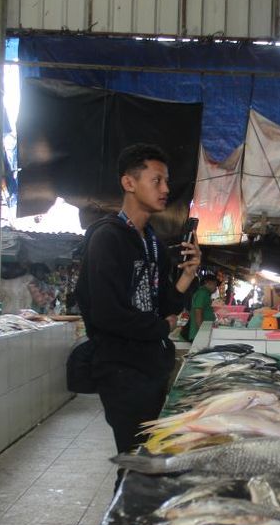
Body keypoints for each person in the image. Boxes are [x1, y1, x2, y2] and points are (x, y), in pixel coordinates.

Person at [76, 143, 201, 458]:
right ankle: (126, 506)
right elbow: (106, 313)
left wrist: (187, 276)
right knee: (135, 461)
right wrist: (160, 327)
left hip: (151, 366)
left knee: (151, 457)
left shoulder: (154, 243)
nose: (166, 189)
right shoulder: (107, 238)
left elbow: (166, 305)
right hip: (121, 371)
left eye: (167, 182)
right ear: (129, 183)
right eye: (157, 180)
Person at [187, 273, 218, 342]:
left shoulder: (206, 294)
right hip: (198, 333)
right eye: (215, 284)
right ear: (208, 283)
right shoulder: (202, 293)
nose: (216, 287)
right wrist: (202, 331)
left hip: (202, 331)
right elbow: (198, 311)